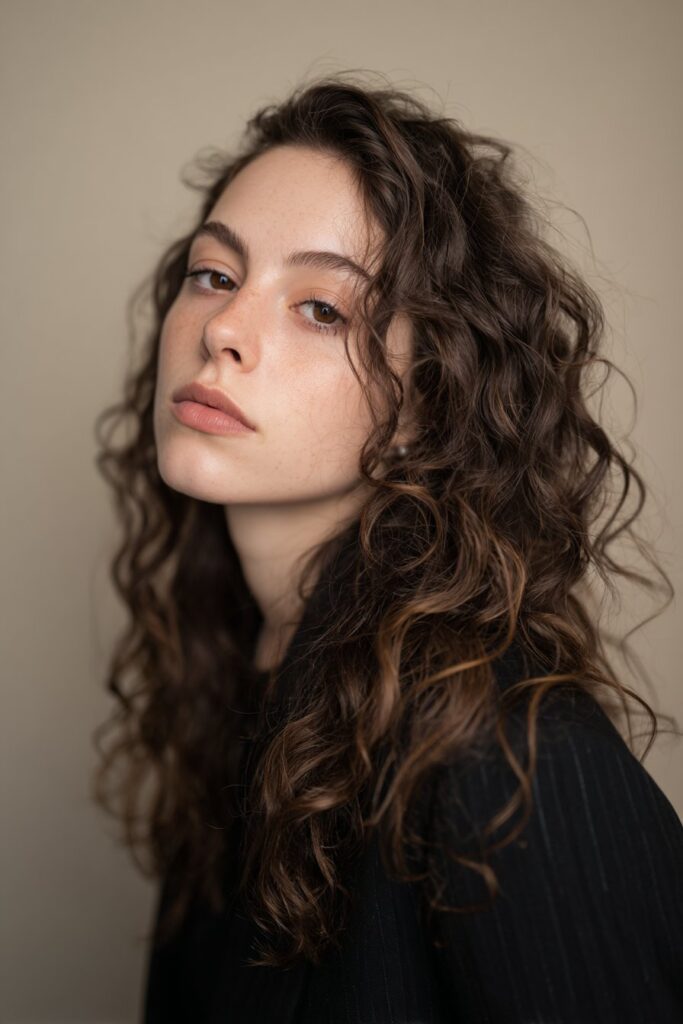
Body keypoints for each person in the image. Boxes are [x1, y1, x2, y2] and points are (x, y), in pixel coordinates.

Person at [92, 72, 683, 1022]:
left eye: (321, 308)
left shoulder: (505, 757)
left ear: (427, 403)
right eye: (215, 274)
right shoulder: (238, 677)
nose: (224, 332)